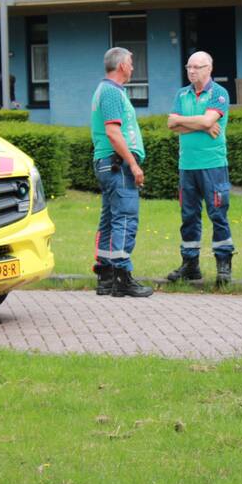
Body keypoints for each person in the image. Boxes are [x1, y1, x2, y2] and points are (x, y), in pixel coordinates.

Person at [166, 51, 234, 285]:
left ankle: (223, 265)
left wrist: (195, 122)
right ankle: (190, 265)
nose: (192, 71)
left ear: (209, 69)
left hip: (213, 165)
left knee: (218, 215)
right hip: (187, 166)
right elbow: (171, 124)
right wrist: (203, 125)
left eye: (197, 67)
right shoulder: (181, 94)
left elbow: (204, 121)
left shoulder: (219, 93)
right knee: (188, 216)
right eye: (189, 67)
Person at [90, 47, 152, 298]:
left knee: (109, 220)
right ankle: (122, 277)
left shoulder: (105, 90)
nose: (133, 67)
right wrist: (134, 164)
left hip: (108, 163)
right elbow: (114, 132)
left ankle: (105, 277)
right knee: (125, 218)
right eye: (131, 62)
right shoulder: (111, 92)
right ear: (121, 66)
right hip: (118, 165)